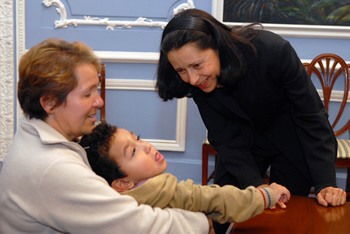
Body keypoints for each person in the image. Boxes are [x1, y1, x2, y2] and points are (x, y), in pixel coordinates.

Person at [156, 8, 347, 233]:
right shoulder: (195, 81)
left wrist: (326, 183)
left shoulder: (272, 50)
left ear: (218, 46)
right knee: (222, 212)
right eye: (181, 70)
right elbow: (225, 138)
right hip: (239, 147)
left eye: (198, 65)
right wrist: (259, 188)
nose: (193, 79)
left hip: (290, 140)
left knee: (284, 217)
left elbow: (311, 117)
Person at [0, 38, 213, 234]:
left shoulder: (36, 138)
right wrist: (202, 222)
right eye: (87, 94)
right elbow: (137, 226)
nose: (99, 101)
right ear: (49, 103)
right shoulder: (52, 167)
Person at [79, 121, 291, 224]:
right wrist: (267, 195)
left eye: (139, 138)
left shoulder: (113, 205)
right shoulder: (168, 192)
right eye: (133, 151)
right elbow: (220, 199)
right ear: (122, 183)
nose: (146, 147)